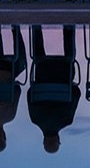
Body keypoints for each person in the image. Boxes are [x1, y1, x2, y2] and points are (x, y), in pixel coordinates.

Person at [27, 25, 81, 153]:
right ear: (44, 140)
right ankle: (36, 28)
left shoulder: (67, 120)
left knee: (70, 60)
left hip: (64, 70)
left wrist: (67, 86)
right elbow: (30, 93)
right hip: (42, 70)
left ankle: (68, 28)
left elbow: (77, 93)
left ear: (58, 138)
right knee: (39, 60)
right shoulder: (35, 119)